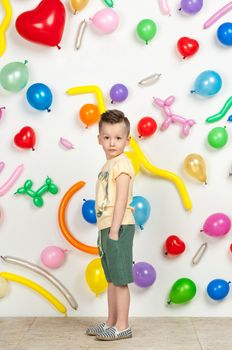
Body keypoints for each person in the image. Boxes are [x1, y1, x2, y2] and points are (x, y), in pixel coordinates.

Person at [86, 109, 135, 341]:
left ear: (127, 139)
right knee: (111, 278)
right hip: (106, 226)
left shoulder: (122, 164)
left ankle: (123, 325)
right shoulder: (108, 165)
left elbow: (122, 199)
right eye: (106, 137)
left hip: (119, 226)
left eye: (118, 138)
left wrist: (115, 229)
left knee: (120, 278)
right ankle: (111, 322)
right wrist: (107, 229)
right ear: (99, 139)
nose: (112, 143)